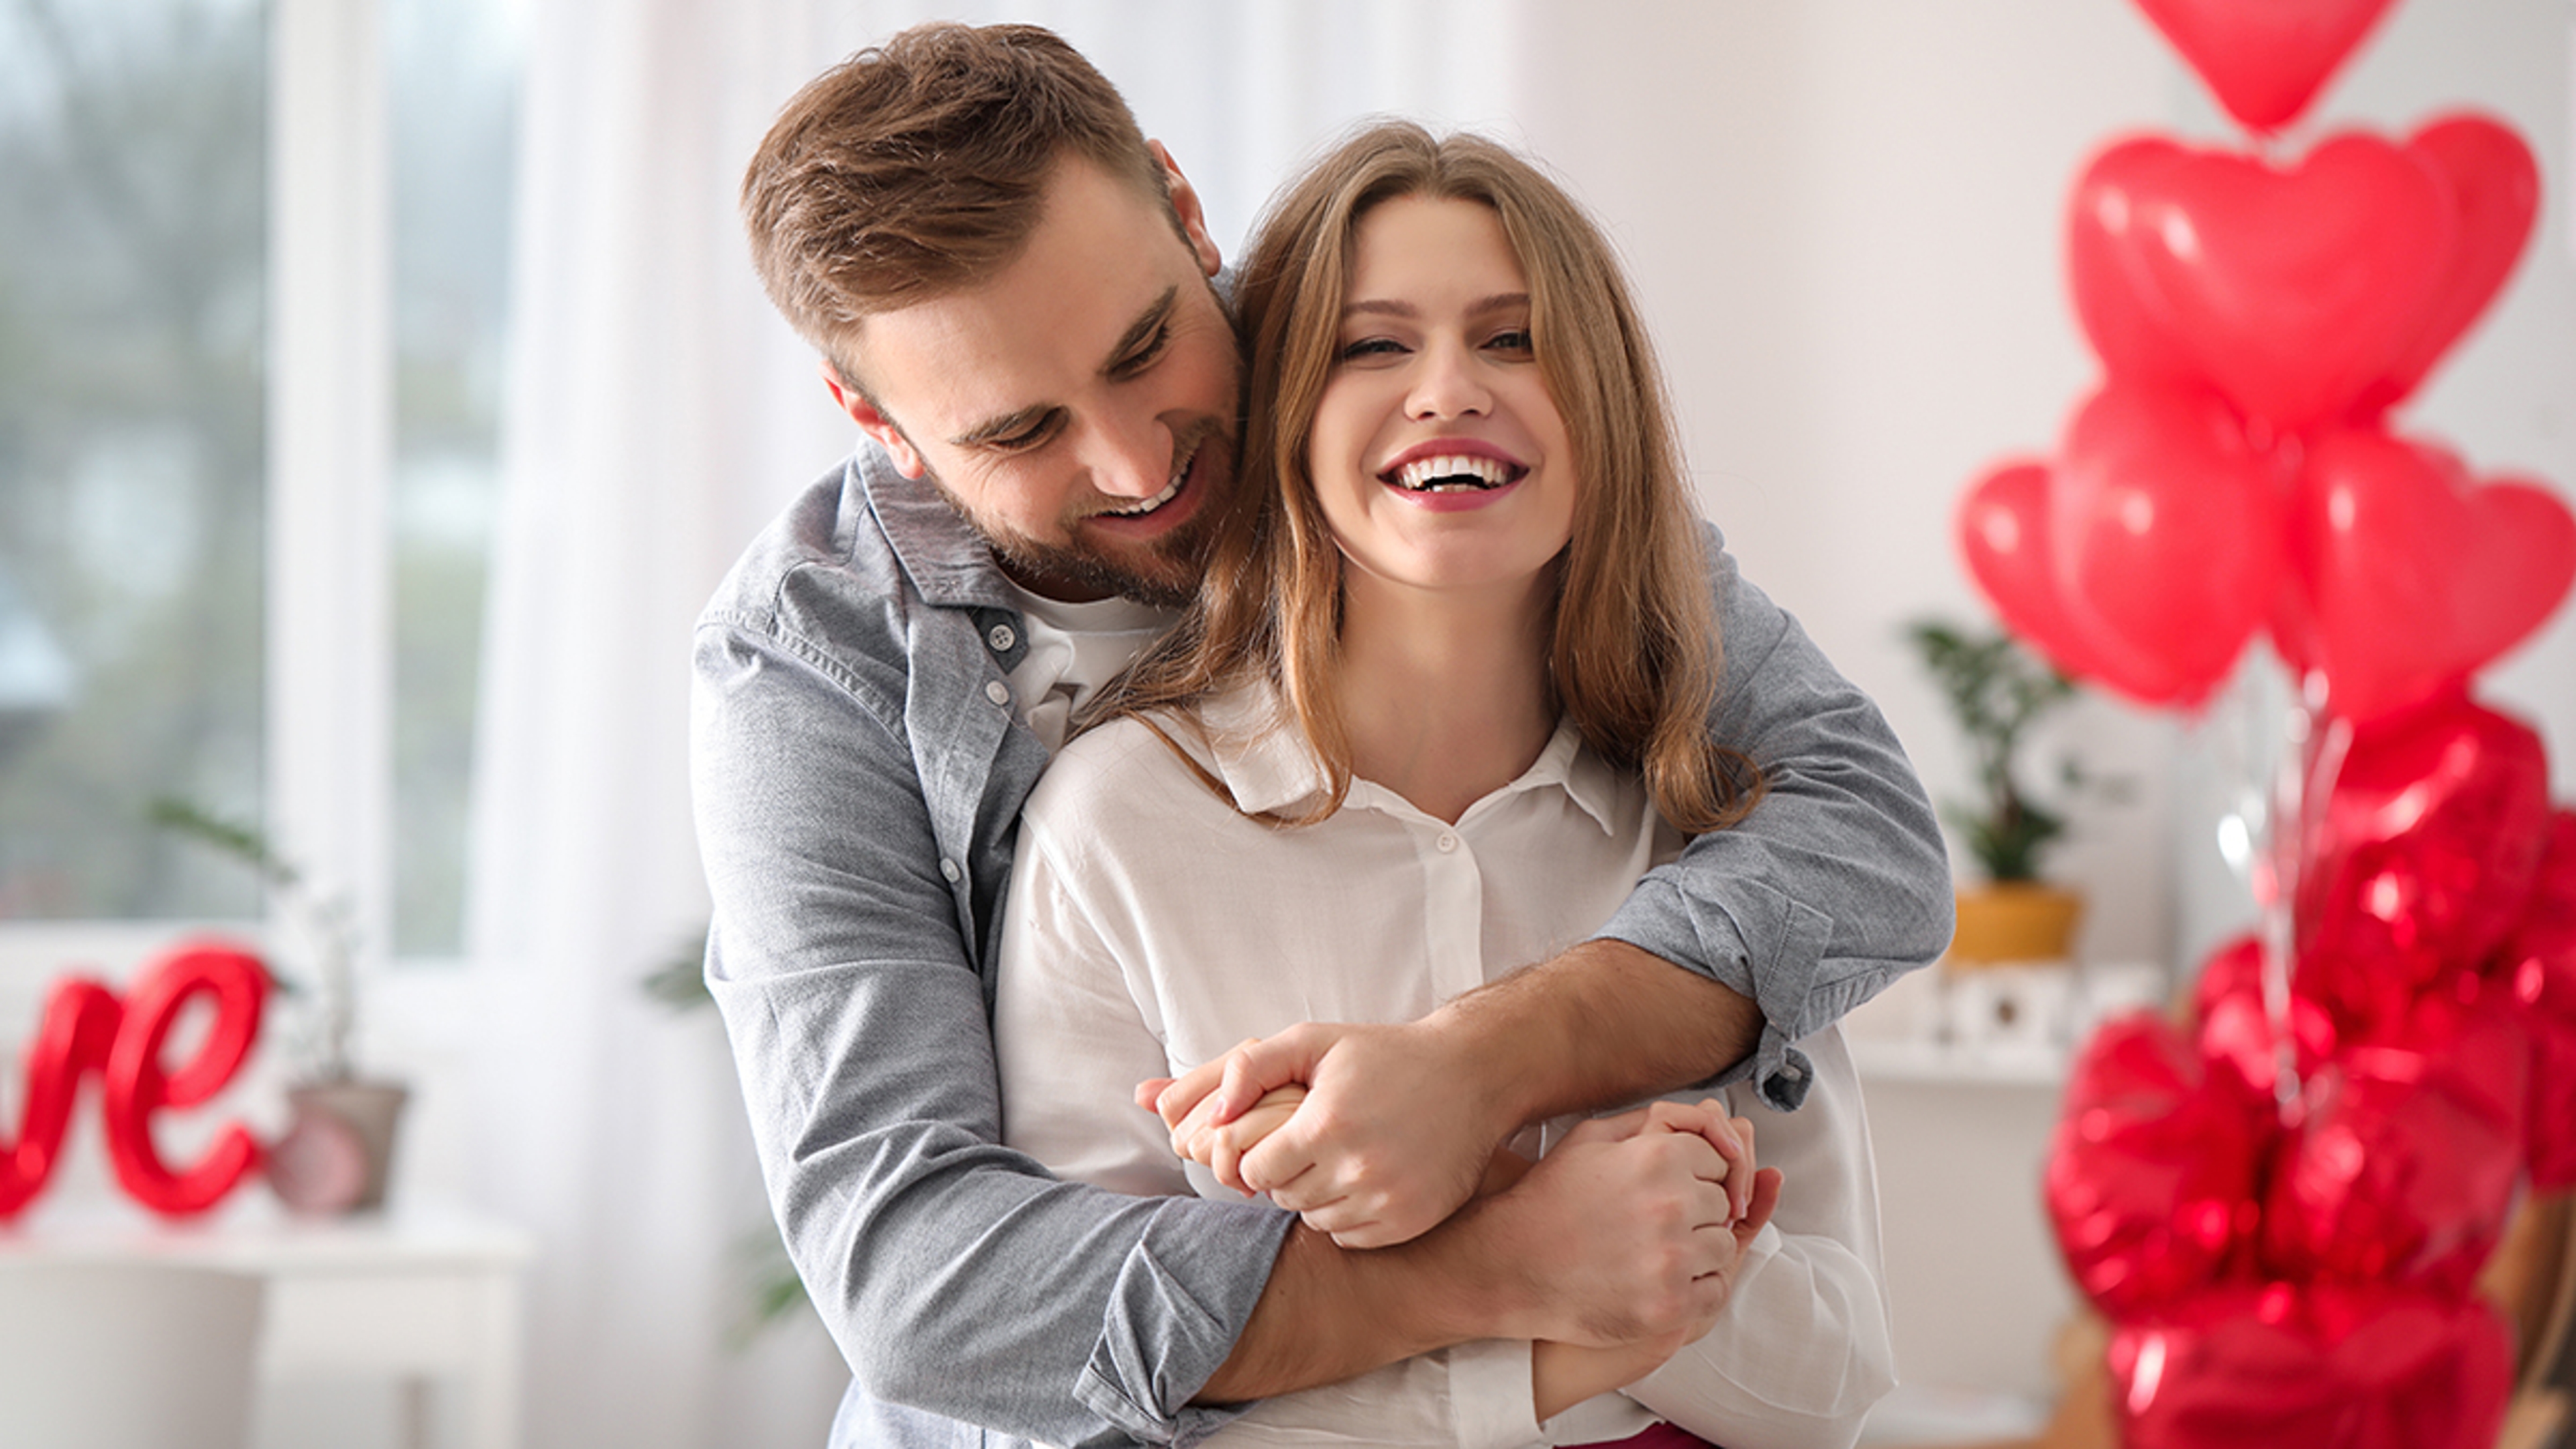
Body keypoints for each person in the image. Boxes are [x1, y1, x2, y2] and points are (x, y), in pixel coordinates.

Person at [693, 21, 1950, 1448]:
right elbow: (927, 1288)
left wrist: (1482, 1072)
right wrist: (1503, 1264)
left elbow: (1864, 833)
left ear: (1184, 209)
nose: (1139, 462)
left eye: (1147, 345)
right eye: (1022, 431)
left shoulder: (1433, 457)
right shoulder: (813, 663)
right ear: (876, 418)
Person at [993, 119, 1891, 1449]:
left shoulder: (1720, 824)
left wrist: (1652, 1255)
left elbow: (1838, 1374)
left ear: (1601, 404)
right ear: (1286, 411)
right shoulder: (1119, 826)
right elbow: (1083, 1394)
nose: (1449, 388)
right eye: (1375, 343)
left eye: (1514, 337)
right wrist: (1564, 1303)